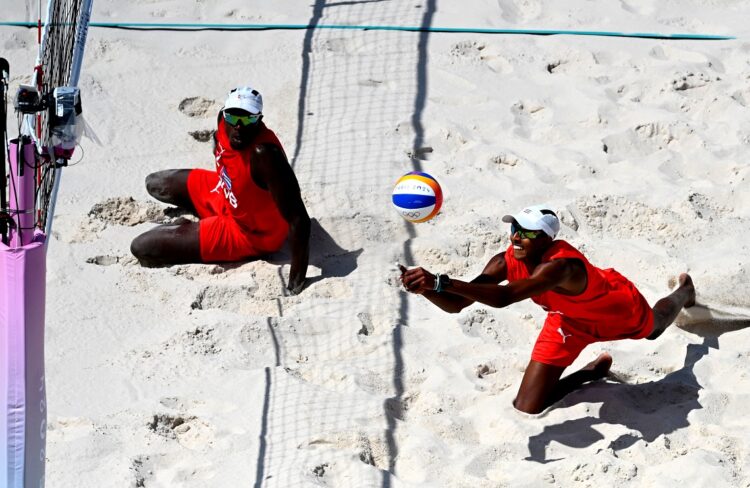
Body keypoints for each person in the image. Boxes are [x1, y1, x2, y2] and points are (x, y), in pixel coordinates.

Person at [399, 204, 696, 414]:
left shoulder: (561, 266)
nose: (515, 236)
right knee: (527, 406)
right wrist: (426, 288)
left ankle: (684, 291)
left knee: (655, 329)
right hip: (568, 322)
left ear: (546, 239)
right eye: (514, 228)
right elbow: (456, 304)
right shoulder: (505, 261)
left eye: (526, 233)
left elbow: (505, 297)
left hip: (613, 308)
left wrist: (441, 281)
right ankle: (590, 372)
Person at [130, 86, 310, 294]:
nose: (239, 127)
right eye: (233, 117)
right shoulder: (222, 122)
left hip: (251, 234)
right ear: (224, 113)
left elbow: (300, 220)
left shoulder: (266, 156)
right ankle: (192, 227)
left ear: (260, 119)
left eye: (249, 119)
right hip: (226, 194)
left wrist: (295, 284)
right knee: (155, 183)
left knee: (142, 247)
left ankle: (190, 231)